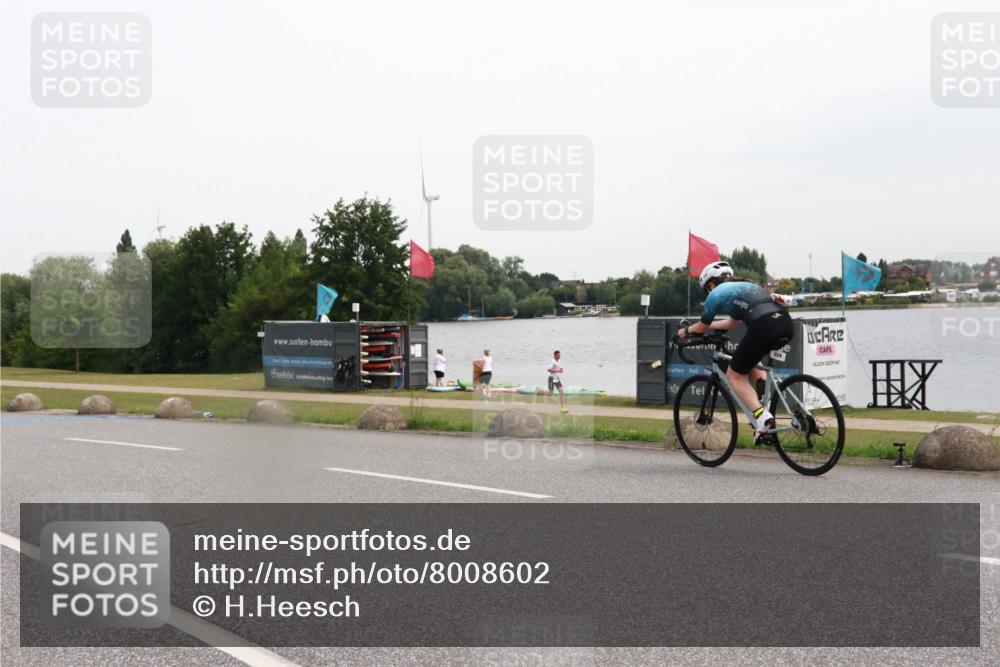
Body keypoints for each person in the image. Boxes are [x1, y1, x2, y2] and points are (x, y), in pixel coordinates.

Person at [677, 261, 793, 440]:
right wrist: (709, 327)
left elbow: (701, 327)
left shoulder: (714, 294)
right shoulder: (748, 286)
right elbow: (732, 323)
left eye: (706, 288)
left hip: (763, 326)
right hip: (785, 322)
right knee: (754, 366)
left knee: (734, 376)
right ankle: (765, 411)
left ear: (710, 284)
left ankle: (762, 417)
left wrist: (686, 331)